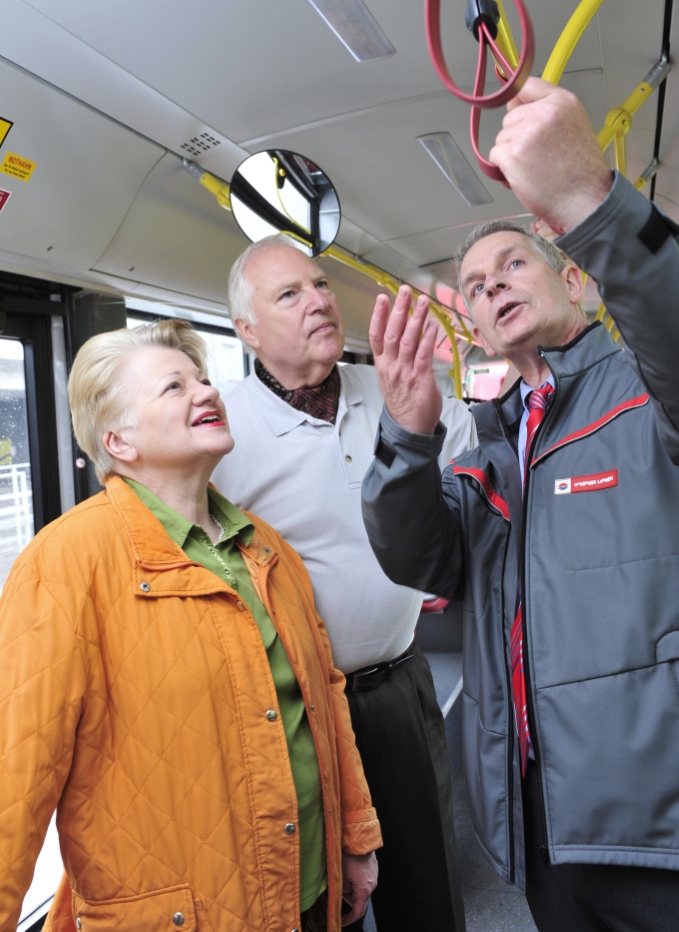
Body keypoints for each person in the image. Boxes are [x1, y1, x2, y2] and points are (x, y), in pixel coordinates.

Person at [361, 77, 679, 932]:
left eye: (513, 263)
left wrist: (591, 201)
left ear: (575, 282)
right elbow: (418, 558)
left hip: (655, 828)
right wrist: (408, 436)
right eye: (472, 283)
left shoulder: (643, 391)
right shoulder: (496, 451)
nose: (492, 285)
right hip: (539, 829)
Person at [0, 320, 381, 932]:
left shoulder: (265, 547)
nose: (207, 393)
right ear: (118, 440)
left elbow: (324, 699)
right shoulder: (65, 562)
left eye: (204, 380)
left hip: (308, 893)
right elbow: (13, 775)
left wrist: (354, 838)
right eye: (174, 387)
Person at [212, 239, 476, 931]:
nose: (319, 301)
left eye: (320, 283)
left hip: (399, 684)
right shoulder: (224, 432)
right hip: (294, 706)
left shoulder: (399, 393)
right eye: (288, 294)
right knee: (321, 900)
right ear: (246, 330)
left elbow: (465, 495)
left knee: (428, 887)